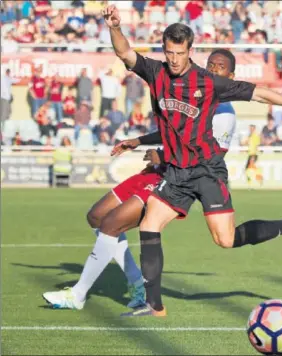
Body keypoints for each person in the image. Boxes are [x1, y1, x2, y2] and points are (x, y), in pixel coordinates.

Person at [103, 5, 282, 317]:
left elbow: (261, 95)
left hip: (206, 170)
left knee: (225, 240)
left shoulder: (208, 82)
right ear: (164, 49)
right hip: (175, 172)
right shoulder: (155, 72)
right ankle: (154, 305)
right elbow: (124, 53)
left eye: (180, 52)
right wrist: (115, 27)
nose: (174, 59)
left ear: (190, 50)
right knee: (149, 225)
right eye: (170, 52)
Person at [41, 49, 240, 311]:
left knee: (111, 224)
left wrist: (161, 155)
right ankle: (135, 281)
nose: (213, 70)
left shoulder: (224, 112)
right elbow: (173, 130)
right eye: (211, 65)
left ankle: (77, 295)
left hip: (175, 175)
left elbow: (204, 153)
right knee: (97, 216)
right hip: (158, 168)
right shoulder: (197, 94)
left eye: (220, 67)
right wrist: (138, 141)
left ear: (231, 76)